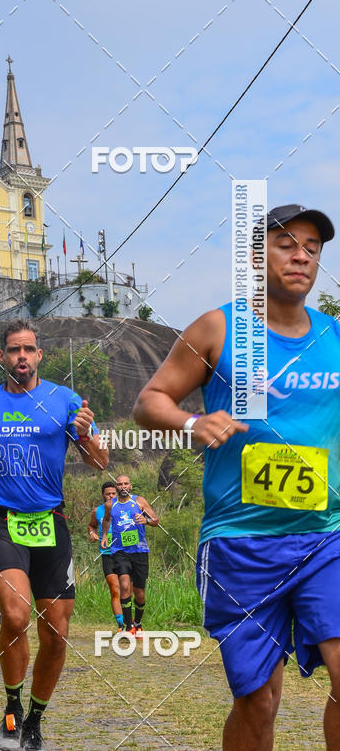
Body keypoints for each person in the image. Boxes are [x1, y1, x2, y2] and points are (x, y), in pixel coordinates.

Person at [134, 204, 340, 751]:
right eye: (286, 243)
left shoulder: (334, 337)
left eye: (313, 247)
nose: (301, 255)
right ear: (257, 257)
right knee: (258, 699)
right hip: (241, 542)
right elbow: (150, 402)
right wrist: (194, 421)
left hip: (327, 534)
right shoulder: (219, 328)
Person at [0, 319, 108, 751]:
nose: (22, 356)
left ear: (39, 355)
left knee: (56, 632)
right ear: (2, 357)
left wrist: (87, 439)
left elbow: (99, 462)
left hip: (51, 521)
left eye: (29, 350)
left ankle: (35, 721)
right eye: (14, 350)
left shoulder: (65, 399)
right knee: (16, 616)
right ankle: (11, 709)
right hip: (3, 521)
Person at [101, 475, 159, 634]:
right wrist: (105, 536)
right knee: (125, 585)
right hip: (120, 551)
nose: (123, 486)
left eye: (126, 483)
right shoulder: (110, 505)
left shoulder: (139, 501)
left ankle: (138, 622)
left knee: (140, 594)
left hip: (140, 551)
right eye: (119, 484)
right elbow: (106, 520)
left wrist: (146, 521)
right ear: (116, 487)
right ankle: (129, 627)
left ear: (130, 486)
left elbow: (156, 520)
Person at [88, 481, 124, 631]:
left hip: (125, 553)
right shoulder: (98, 511)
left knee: (128, 589)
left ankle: (133, 622)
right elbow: (91, 526)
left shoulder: (124, 508)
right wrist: (92, 533)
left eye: (113, 493)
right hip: (107, 553)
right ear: (103, 495)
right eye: (108, 493)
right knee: (115, 589)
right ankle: (121, 625)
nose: (111, 496)